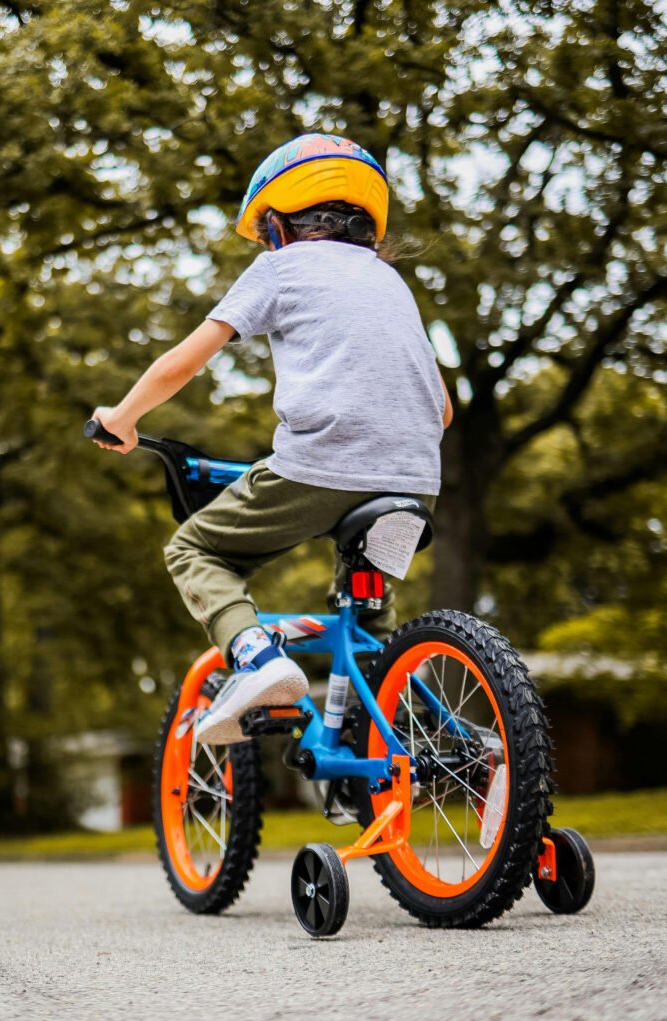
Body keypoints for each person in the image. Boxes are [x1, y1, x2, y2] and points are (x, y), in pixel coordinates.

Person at [91, 133, 452, 745]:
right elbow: (441, 410)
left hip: (319, 470)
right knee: (367, 620)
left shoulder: (280, 268)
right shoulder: (392, 284)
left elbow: (185, 361)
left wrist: (122, 417)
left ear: (279, 223)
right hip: (416, 484)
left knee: (193, 551)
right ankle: (419, 747)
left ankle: (260, 659)